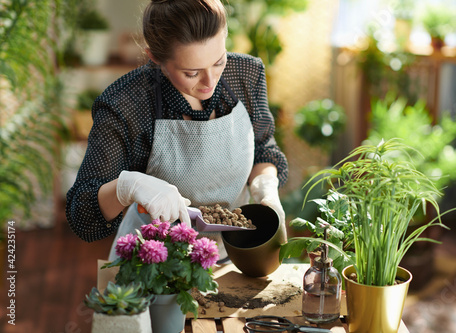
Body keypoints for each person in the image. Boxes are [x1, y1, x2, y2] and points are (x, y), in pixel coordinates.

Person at [65, 0, 288, 261]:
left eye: (218, 61)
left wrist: (265, 185)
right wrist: (127, 186)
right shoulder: (126, 103)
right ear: (156, 58)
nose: (210, 82)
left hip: (235, 254)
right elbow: (82, 214)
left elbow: (263, 148)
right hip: (155, 264)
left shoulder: (246, 75)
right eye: (191, 72)